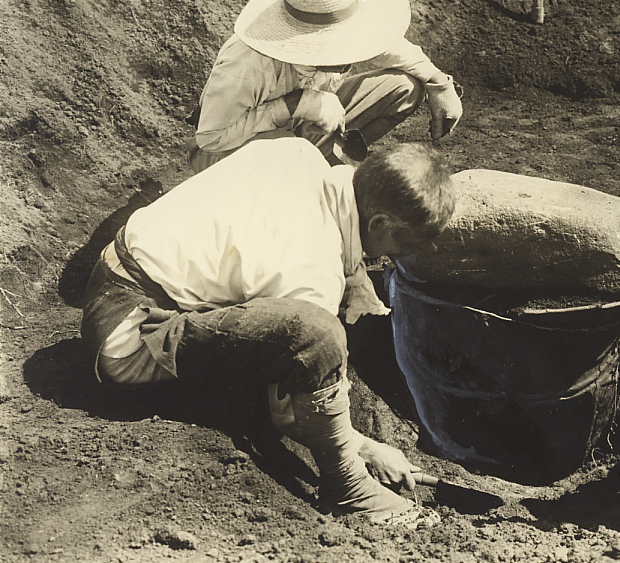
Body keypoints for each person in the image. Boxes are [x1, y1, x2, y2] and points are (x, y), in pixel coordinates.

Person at [81, 137, 455, 525]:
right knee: (318, 334)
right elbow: (287, 414)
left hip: (115, 271)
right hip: (131, 335)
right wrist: (363, 447)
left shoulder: (301, 153)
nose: (398, 257)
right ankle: (347, 489)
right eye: (403, 243)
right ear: (378, 223)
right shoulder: (312, 273)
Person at [188, 0, 463, 172]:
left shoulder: (336, 24)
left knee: (404, 87)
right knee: (297, 154)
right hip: (228, 152)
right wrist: (297, 104)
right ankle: (300, 184)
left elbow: (386, 47)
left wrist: (438, 83)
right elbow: (211, 139)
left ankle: (329, 159)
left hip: (303, 125)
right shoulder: (248, 66)